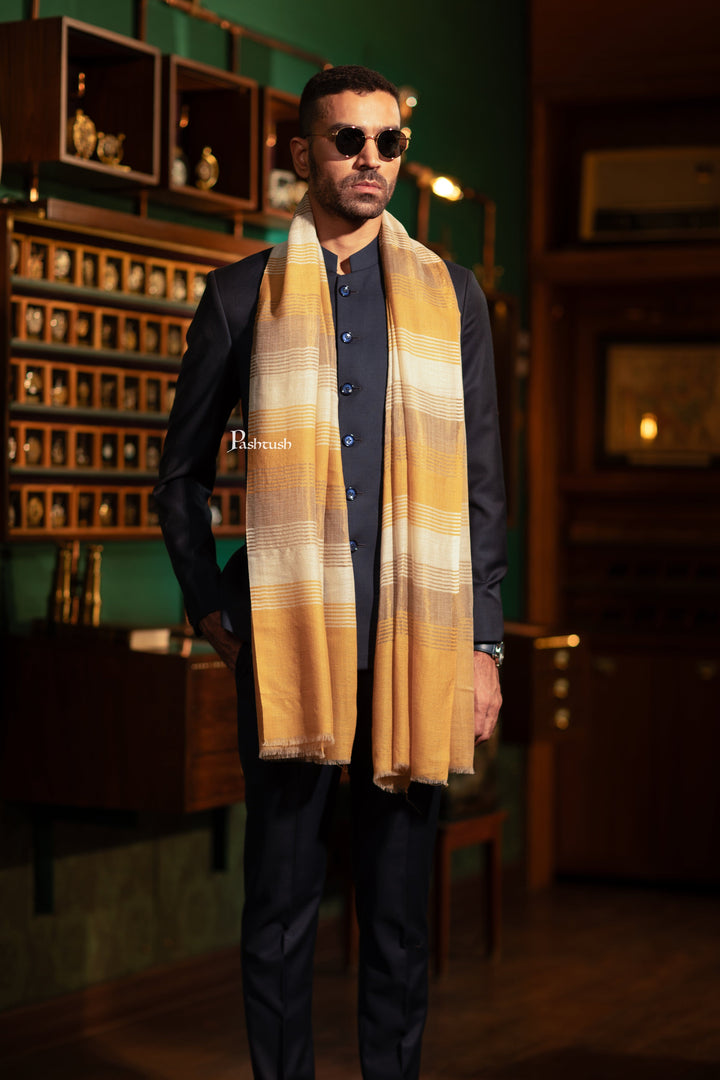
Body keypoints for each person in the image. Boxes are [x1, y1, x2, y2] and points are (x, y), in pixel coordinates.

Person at [154, 64, 506, 1080]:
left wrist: (484, 643)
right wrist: (213, 613)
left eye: (388, 142)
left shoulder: (453, 297)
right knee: (280, 908)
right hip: (288, 644)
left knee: (397, 919)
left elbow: (482, 484)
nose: (370, 159)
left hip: (416, 641)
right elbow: (180, 478)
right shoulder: (241, 297)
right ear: (302, 152)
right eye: (348, 140)